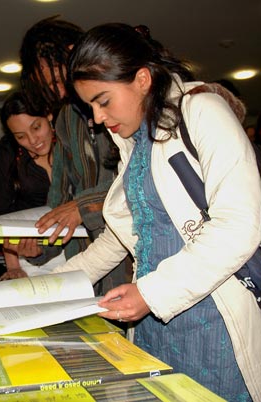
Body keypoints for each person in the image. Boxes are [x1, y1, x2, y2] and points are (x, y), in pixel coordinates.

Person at [51, 23, 261, 401]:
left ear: (143, 79)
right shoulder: (132, 144)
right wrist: (48, 286)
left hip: (212, 322)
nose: (97, 119)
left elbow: (239, 226)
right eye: (90, 107)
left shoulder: (203, 111)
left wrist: (150, 293)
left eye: (103, 101)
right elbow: (122, 238)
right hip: (153, 323)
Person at [17, 16, 130, 294]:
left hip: (135, 260)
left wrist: (83, 206)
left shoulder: (121, 99)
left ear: (73, 53)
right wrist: (38, 244)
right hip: (87, 268)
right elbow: (60, 196)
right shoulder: (65, 118)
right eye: (47, 85)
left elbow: (141, 178)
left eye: (57, 79)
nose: (58, 90)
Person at [0, 91, 62, 280]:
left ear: (48, 114)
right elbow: (2, 213)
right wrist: (13, 266)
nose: (33, 141)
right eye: (21, 136)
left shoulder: (69, 141)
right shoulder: (8, 151)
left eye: (36, 127)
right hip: (29, 256)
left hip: (79, 249)